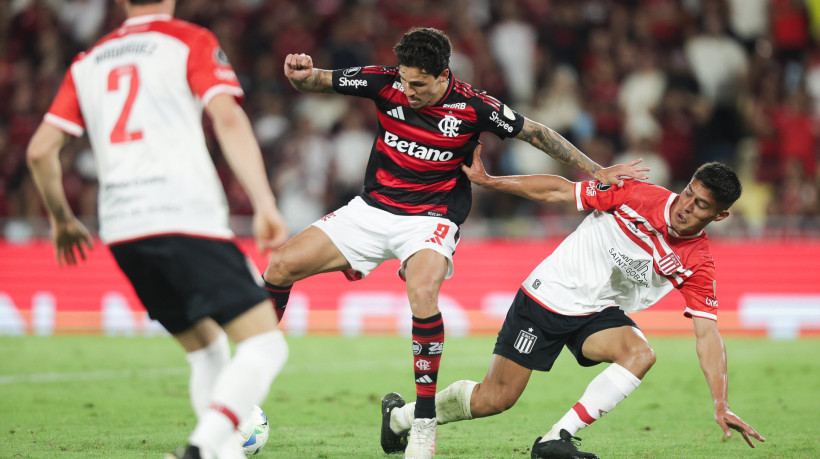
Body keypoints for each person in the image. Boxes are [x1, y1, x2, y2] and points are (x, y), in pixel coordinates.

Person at [262, 27, 648, 459]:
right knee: (278, 267)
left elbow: (536, 133)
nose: (407, 91)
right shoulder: (384, 81)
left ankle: (423, 424)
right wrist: (301, 74)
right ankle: (248, 384)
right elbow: (318, 79)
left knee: (423, 293)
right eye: (404, 81)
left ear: (443, 75)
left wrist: (596, 170)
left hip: (430, 220)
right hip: (371, 211)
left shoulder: (474, 106)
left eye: (419, 84)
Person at [380, 145, 766, 458]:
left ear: (720, 216)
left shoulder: (697, 262)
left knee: (640, 354)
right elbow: (560, 189)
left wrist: (721, 402)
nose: (686, 207)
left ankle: (556, 438)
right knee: (493, 400)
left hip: (597, 311)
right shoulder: (635, 194)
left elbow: (707, 334)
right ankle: (399, 418)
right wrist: (489, 181)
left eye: (701, 206)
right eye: (688, 194)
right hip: (548, 296)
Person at [25, 1, 289, 457]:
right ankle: (200, 450)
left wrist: (63, 219)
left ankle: (218, 452)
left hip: (123, 228)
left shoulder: (87, 62)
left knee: (206, 351)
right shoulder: (189, 39)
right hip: (183, 215)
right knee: (266, 346)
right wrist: (264, 201)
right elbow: (226, 116)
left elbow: (39, 151)